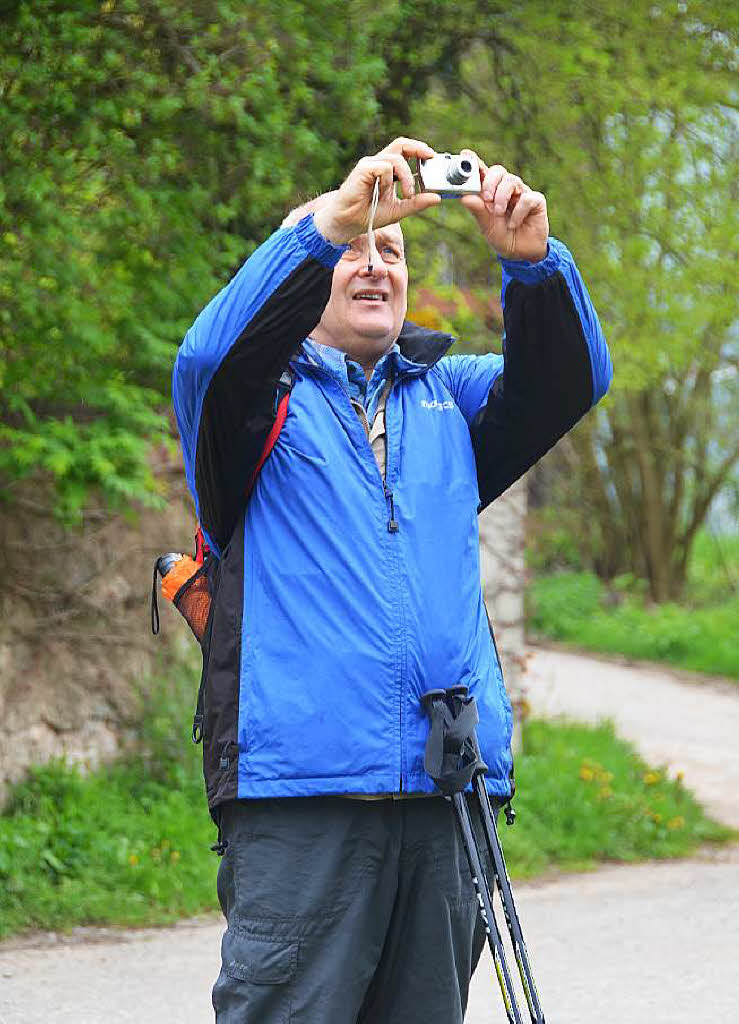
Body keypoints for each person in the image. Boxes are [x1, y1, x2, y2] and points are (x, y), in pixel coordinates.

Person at [172, 137, 611, 1023]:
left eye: (392, 251)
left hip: (447, 797)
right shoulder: (253, 401)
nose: (373, 266)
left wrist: (532, 267)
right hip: (304, 800)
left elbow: (569, 377)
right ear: (307, 272)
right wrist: (324, 222)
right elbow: (210, 358)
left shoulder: (450, 395)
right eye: (351, 248)